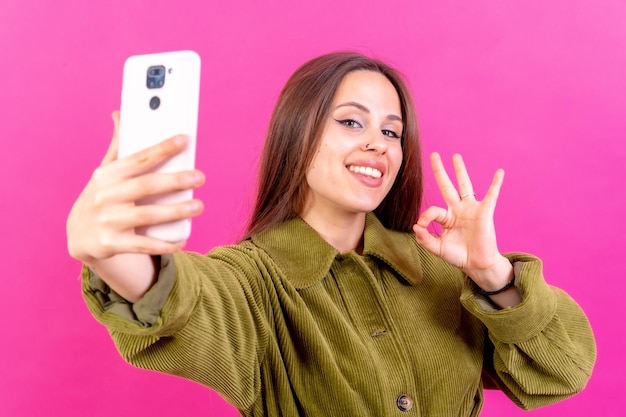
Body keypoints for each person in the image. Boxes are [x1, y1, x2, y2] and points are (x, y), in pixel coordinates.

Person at [67, 52, 596, 416]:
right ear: (299, 133)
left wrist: (492, 274)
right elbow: (187, 299)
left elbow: (562, 370)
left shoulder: (443, 275)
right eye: (351, 122)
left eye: (391, 131)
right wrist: (111, 253)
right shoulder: (255, 283)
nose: (378, 145)